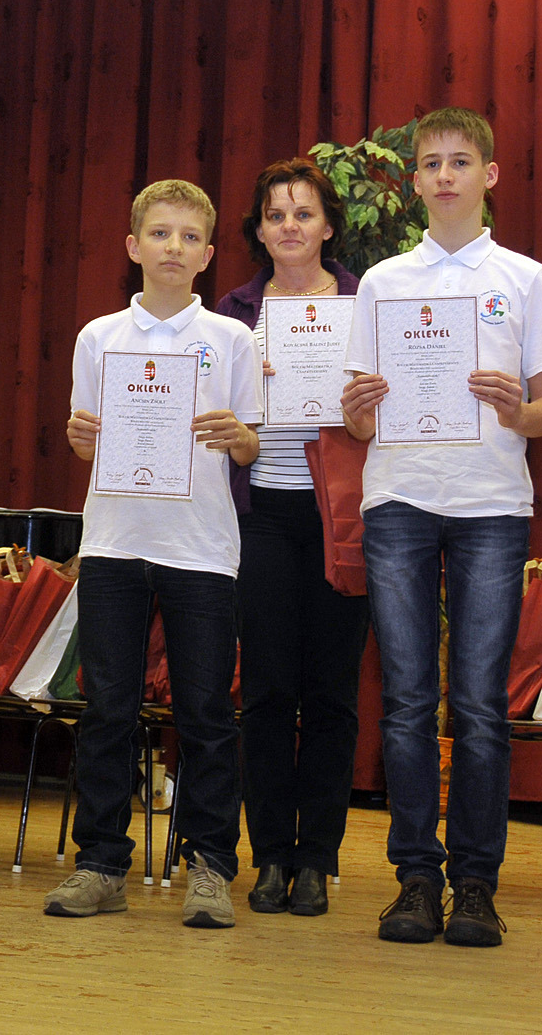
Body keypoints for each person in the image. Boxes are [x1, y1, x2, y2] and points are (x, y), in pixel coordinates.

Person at [340, 107, 542, 947]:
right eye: (430, 162)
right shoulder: (383, 282)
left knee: (479, 704)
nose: (444, 175)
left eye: (459, 161)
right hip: (398, 499)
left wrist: (517, 408)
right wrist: (359, 409)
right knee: (405, 702)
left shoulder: (526, 278)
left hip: (492, 506)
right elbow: (358, 420)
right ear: (415, 179)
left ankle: (475, 883)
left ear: (488, 175)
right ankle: (415, 879)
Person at [44, 180, 261, 928]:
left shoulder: (232, 339)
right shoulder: (98, 337)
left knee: (206, 712)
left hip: (202, 547)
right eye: (160, 234)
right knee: (107, 708)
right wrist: (80, 440)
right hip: (114, 541)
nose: (174, 247)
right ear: (133, 246)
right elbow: (86, 440)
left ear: (208, 253)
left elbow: (251, 444)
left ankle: (210, 867)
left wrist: (241, 438)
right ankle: (102, 864)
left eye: (189, 236)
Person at [214, 158, 369, 917]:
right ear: (259, 229)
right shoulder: (234, 313)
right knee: (269, 690)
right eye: (275, 215)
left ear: (328, 225)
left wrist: (362, 399)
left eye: (303, 213)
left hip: (343, 516)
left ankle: (318, 860)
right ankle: (271, 855)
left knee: (332, 693)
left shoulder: (366, 304)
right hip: (262, 515)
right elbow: (214, 416)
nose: (290, 227)